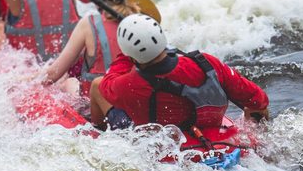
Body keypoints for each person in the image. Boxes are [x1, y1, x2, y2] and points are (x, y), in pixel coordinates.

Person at [90, 15, 269, 148]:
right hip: (216, 137)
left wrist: (126, 56)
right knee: (256, 107)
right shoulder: (206, 63)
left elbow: (108, 81)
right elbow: (259, 100)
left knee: (97, 85)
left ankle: (97, 132)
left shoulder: (128, 85)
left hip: (166, 148)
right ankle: (261, 143)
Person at [39, 0, 141, 95]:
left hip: (96, 103)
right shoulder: (143, 22)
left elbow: (52, 75)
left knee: (69, 82)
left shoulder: (88, 24)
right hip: (130, 99)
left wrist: (27, 84)